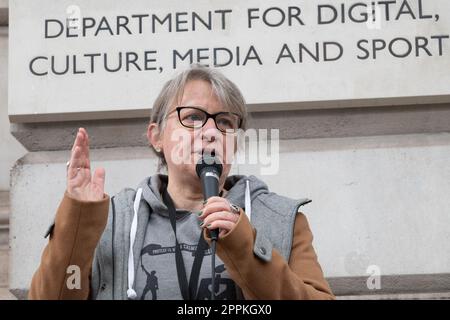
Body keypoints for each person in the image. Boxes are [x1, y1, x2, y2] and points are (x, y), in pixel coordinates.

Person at [28, 64, 335, 300]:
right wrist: (79, 220)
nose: (211, 131)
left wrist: (244, 244)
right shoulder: (112, 219)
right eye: (192, 117)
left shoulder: (280, 219)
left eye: (225, 122)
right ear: (157, 137)